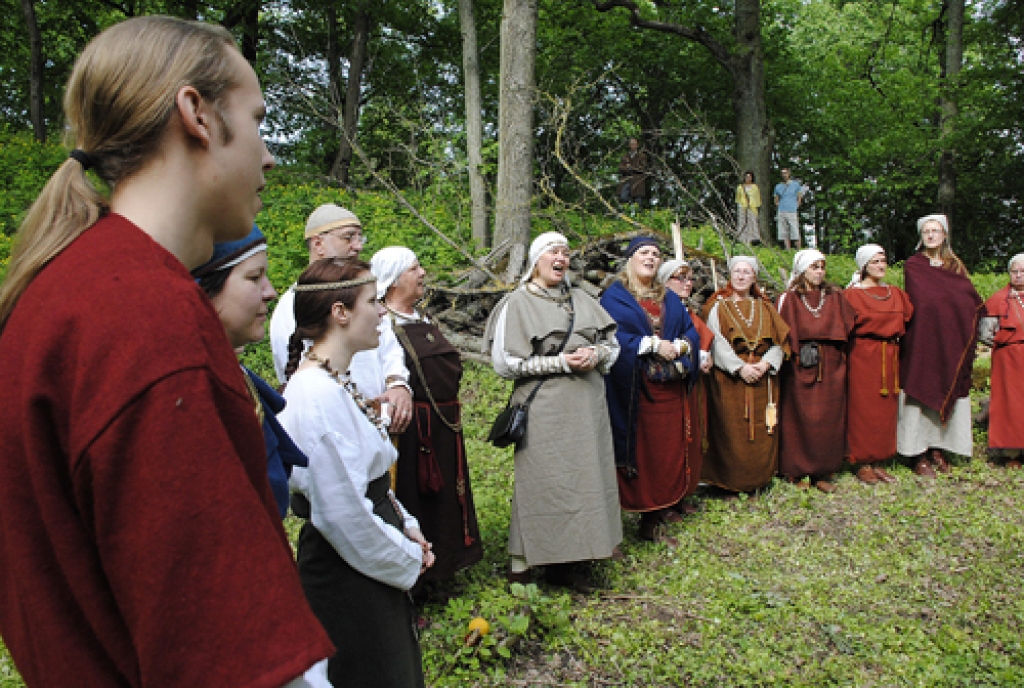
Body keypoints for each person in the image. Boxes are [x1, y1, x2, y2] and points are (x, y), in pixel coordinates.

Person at [0, 16, 332, 688]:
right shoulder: (145, 319)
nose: (269, 156)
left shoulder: (63, 292)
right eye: (259, 119)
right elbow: (223, 654)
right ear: (198, 115)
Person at [281, 259, 432, 688]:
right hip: (348, 572)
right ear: (340, 313)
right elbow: (341, 515)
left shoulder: (336, 382)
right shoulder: (313, 395)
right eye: (372, 301)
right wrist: (404, 556)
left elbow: (369, 478)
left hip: (367, 562)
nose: (383, 311)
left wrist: (407, 525)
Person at [484, 232, 623, 586]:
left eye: (565, 253)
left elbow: (613, 345)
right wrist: (560, 363)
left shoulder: (582, 298)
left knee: (584, 481)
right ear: (536, 260)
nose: (561, 258)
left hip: (587, 407)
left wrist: (595, 354)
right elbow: (506, 363)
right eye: (553, 252)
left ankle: (574, 561)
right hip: (545, 410)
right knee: (543, 483)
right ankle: (523, 565)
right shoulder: (517, 303)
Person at [371, 246, 483, 588]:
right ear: (391, 281)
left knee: (448, 495)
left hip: (444, 426)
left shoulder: (423, 319)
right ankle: (417, 575)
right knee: (414, 497)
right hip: (411, 430)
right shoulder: (381, 326)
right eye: (414, 269)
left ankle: (446, 565)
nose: (422, 274)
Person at [194, 224, 309, 518]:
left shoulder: (233, 375)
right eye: (254, 277)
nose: (270, 292)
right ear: (204, 289)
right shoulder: (197, 392)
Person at [269, 203, 414, 435]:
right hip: (332, 423)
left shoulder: (365, 295)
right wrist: (349, 409)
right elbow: (293, 369)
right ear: (318, 244)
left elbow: (388, 345)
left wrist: (397, 384)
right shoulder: (292, 304)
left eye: (359, 237)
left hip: (378, 422)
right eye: (348, 237)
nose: (357, 246)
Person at [602, 238, 700, 544]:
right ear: (630, 258)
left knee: (663, 453)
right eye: (644, 252)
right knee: (637, 453)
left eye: (656, 254)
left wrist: (682, 346)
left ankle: (653, 520)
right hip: (632, 391)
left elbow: (691, 331)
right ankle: (614, 525)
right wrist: (653, 344)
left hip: (668, 390)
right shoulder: (615, 297)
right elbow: (610, 339)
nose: (651, 258)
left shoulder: (668, 297)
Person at [897, 214, 983, 476]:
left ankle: (939, 447)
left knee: (948, 386)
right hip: (922, 340)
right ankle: (917, 452)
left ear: (944, 235)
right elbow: (924, 301)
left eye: (936, 231)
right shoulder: (914, 265)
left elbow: (967, 300)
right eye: (926, 232)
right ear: (921, 237)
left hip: (950, 340)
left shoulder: (955, 267)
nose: (931, 235)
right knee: (919, 391)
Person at [700, 256, 791, 494]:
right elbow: (714, 341)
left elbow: (781, 342)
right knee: (732, 430)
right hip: (729, 380)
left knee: (762, 431)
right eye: (736, 272)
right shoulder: (718, 306)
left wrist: (764, 365)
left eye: (746, 272)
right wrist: (740, 368)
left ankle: (759, 480)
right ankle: (731, 483)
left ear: (754, 277)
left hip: (763, 378)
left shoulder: (765, 306)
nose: (740, 276)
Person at [776, 250, 855, 492]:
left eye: (822, 267)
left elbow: (849, 323)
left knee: (829, 418)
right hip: (801, 363)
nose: (819, 272)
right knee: (800, 417)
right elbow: (781, 329)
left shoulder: (834, 297)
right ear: (802, 270)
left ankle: (824, 469)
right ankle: (797, 470)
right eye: (814, 267)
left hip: (831, 365)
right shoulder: (789, 298)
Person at [844, 244, 914, 484]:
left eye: (883, 260)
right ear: (864, 266)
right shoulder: (852, 295)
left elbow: (908, 319)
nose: (881, 265)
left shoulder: (895, 293)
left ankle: (881, 459)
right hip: (863, 355)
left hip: (890, 355)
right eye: (875, 261)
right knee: (863, 409)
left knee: (886, 409)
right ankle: (862, 461)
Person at [657, 258, 715, 513]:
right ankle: (665, 500)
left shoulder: (689, 312)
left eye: (689, 278)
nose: (687, 283)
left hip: (691, 387)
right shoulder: (659, 311)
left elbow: (703, 339)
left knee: (689, 438)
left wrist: (705, 355)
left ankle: (682, 494)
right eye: (679, 278)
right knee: (669, 442)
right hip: (666, 385)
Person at [978, 253, 1024, 468]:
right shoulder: (998, 300)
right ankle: (1011, 452)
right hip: (1008, 359)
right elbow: (986, 333)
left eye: (1023, 272)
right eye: (1014, 271)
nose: (1018, 275)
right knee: (1010, 404)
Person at [773, 167, 803, 250]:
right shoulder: (778, 186)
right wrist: (778, 205)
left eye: (785, 173)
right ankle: (788, 250)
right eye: (782, 173)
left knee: (795, 231)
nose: (784, 175)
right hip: (781, 210)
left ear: (789, 174)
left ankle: (799, 249)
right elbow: (776, 199)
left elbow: (799, 196)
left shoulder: (795, 184)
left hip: (792, 210)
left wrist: (797, 205)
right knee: (784, 232)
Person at [618, 137, 649, 207]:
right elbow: (620, 168)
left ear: (637, 145)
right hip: (626, 180)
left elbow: (643, 168)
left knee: (638, 202)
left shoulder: (642, 156)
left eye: (634, 144)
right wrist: (628, 168)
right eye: (631, 144)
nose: (633, 146)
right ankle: (626, 211)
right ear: (629, 145)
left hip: (637, 181)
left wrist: (631, 168)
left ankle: (637, 216)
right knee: (623, 198)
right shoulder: (625, 157)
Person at [735, 171, 762, 244]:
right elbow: (738, 198)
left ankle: (752, 239)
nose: (748, 178)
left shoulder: (755, 187)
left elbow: (757, 198)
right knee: (742, 223)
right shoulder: (740, 187)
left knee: (752, 223)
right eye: (746, 177)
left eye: (749, 177)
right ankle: (743, 239)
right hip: (742, 207)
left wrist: (753, 205)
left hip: (752, 207)